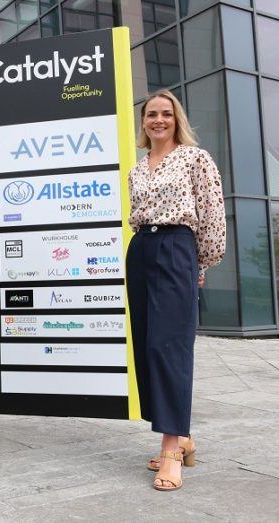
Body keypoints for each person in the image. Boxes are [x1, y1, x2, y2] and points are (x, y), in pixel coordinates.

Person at [126, 90, 226, 491]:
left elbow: (212, 213)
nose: (159, 120)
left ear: (177, 119)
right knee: (147, 344)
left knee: (170, 346)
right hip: (141, 249)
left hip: (177, 247)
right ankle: (180, 437)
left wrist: (199, 263)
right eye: (152, 114)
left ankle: (171, 449)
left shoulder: (195, 158)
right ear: (144, 121)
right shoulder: (137, 167)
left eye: (167, 114)